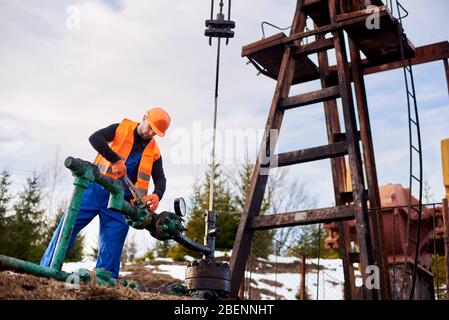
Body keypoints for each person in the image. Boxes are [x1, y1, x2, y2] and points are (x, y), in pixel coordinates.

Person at [40, 108, 170, 279]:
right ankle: (45, 271)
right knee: (67, 227)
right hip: (95, 190)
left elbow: (160, 178)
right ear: (144, 117)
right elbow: (94, 138)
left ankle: (104, 282)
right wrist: (115, 160)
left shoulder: (154, 152)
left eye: (156, 132)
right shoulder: (120, 128)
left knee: (113, 243)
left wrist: (157, 194)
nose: (151, 133)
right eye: (150, 127)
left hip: (120, 203)